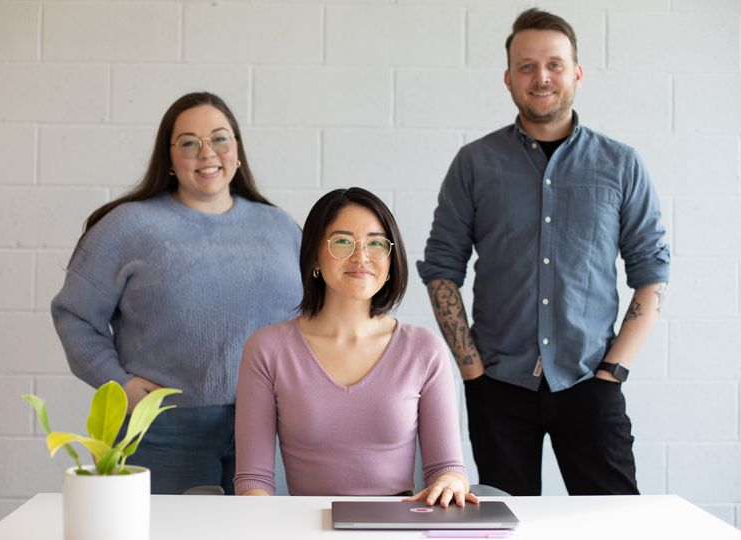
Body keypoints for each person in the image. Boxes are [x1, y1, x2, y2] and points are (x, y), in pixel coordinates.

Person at [417, 8, 670, 496]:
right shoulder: (475, 164)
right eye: (527, 66)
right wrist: (473, 373)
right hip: (498, 387)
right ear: (508, 78)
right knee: (503, 524)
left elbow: (651, 273)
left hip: (590, 383)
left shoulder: (620, 164)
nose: (541, 77)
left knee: (614, 524)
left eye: (554, 64)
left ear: (576, 72)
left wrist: (612, 373)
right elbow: (442, 269)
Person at [51, 91, 303, 494]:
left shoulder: (280, 228)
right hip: (163, 430)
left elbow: (313, 320)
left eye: (220, 138)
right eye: (188, 142)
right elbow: (74, 316)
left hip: (268, 425)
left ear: (237, 150)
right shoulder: (127, 226)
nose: (207, 152)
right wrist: (118, 383)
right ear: (168, 158)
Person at [235, 187, 478, 507]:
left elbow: (447, 468)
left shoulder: (423, 349)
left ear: (391, 262)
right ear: (314, 258)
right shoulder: (266, 349)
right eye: (342, 241)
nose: (361, 256)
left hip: (398, 524)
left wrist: (449, 482)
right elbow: (254, 480)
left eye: (376, 243)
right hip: (305, 525)